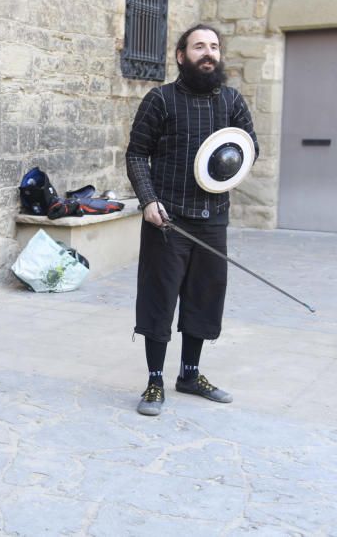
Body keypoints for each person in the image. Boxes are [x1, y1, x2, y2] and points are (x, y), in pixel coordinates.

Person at [125, 24, 259, 417]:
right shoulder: (160, 100)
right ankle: (154, 380)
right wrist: (149, 201)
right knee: (159, 298)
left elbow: (250, 150)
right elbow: (136, 154)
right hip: (167, 219)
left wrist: (228, 166)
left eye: (214, 47)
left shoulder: (232, 102)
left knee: (204, 296)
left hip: (212, 218)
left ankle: (190, 373)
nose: (208, 53)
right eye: (199, 46)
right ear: (181, 56)